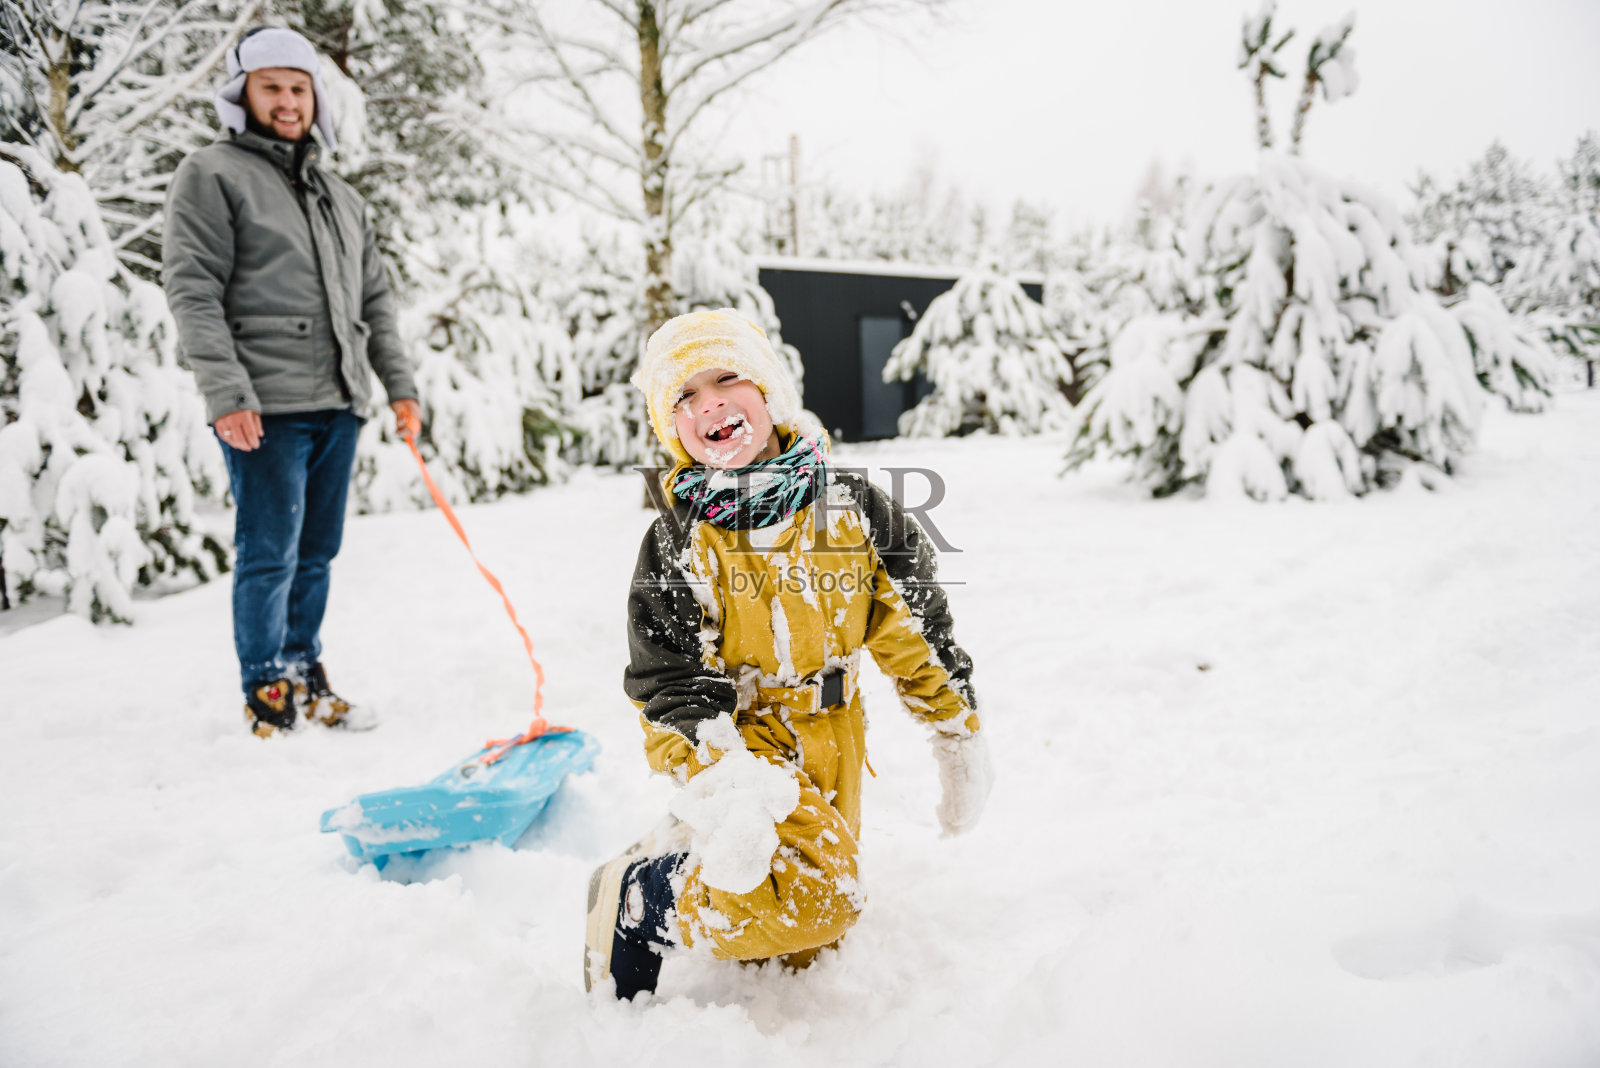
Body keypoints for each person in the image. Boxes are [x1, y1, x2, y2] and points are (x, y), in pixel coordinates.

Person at [584, 309, 993, 999]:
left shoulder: (856, 509)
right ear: (672, 427)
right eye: (684, 396)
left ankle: (687, 850)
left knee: (808, 938)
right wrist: (730, 787)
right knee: (815, 900)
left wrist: (956, 731)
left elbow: (916, 629)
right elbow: (668, 686)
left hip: (836, 736)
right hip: (745, 746)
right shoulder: (681, 541)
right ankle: (643, 898)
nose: (708, 403)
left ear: (768, 390)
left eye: (726, 378)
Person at [161, 26, 420, 737]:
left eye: (298, 88)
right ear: (243, 94)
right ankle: (265, 685)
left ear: (315, 98)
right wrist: (227, 393)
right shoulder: (212, 173)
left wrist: (399, 387)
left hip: (339, 401)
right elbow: (192, 290)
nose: (286, 101)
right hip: (265, 406)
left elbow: (375, 301)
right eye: (271, 86)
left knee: (317, 553)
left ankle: (305, 669)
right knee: (270, 553)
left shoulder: (342, 197)